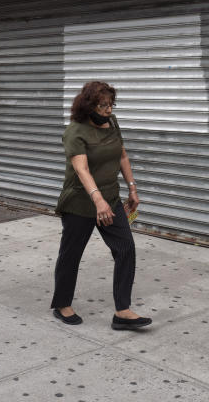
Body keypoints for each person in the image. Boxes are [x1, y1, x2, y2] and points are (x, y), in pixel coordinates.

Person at [50, 81, 150, 330]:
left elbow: (122, 155)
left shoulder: (112, 123)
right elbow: (81, 169)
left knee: (126, 248)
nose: (108, 110)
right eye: (102, 105)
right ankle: (62, 304)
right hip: (80, 203)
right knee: (71, 255)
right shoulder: (76, 131)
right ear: (88, 106)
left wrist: (132, 188)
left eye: (110, 104)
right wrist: (98, 200)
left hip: (111, 199)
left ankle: (123, 311)